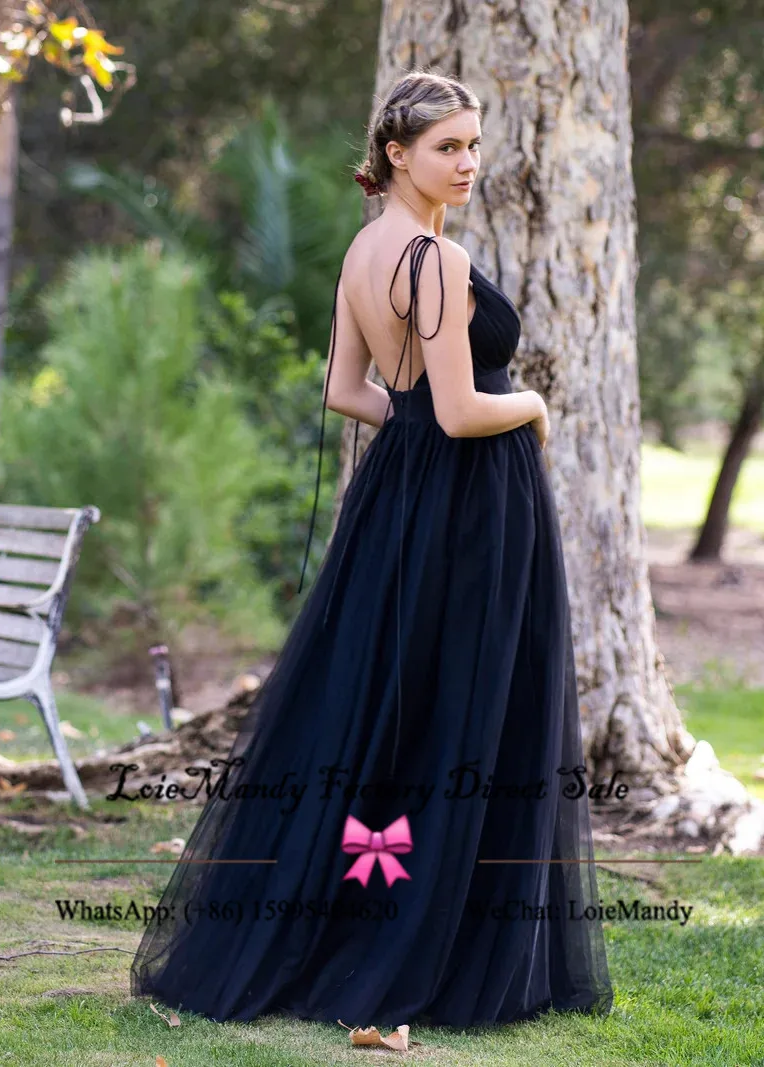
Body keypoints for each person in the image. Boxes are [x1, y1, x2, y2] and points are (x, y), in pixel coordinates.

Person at [130, 67, 614, 1029]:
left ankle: (347, 916)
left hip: (401, 496)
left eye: (475, 144)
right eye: (448, 147)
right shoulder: (431, 260)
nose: (469, 162)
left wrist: (420, 429)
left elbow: (345, 391)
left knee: (394, 701)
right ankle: (436, 940)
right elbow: (465, 407)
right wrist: (537, 406)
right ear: (397, 153)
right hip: (471, 502)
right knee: (462, 706)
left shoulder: (366, 251)